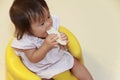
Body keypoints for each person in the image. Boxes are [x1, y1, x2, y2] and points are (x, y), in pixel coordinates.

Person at [9, 0, 93, 80]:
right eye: (42, 23)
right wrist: (46, 46)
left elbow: (62, 45)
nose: (49, 23)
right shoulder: (26, 40)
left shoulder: (50, 24)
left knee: (74, 63)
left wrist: (63, 40)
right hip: (42, 68)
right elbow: (33, 58)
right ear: (27, 30)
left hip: (58, 57)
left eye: (48, 16)